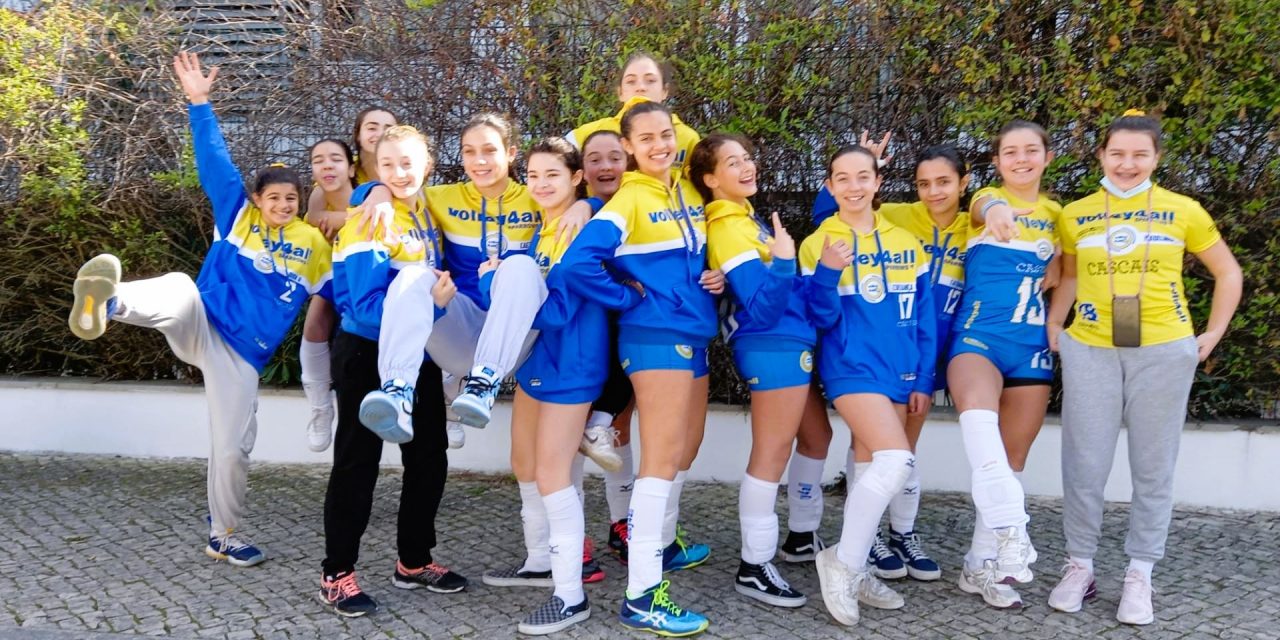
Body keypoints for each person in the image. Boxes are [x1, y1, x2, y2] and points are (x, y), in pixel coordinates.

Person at [68, 51, 333, 568]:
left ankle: (224, 535)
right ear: (257, 199)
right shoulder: (237, 217)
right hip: (204, 323)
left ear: (300, 201)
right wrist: (199, 103)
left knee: (233, 448)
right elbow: (215, 163)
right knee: (178, 287)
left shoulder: (315, 245)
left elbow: (345, 294)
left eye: (291, 198)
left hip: (243, 357)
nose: (283, 205)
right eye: (274, 197)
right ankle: (109, 302)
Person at [1046, 110, 1242, 625]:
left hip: (1163, 351)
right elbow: (1069, 277)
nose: (1127, 164)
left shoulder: (1184, 210)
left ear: (1156, 158)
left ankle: (1140, 573)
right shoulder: (1076, 214)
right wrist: (1055, 324)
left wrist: (1213, 333)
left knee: (1152, 466)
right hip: (1091, 349)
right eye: (1117, 153)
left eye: (1139, 155)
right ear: (1101, 155)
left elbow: (1228, 272)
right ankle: (1080, 565)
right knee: (1084, 463)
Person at [559, 100, 717, 636]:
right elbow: (578, 264)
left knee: (680, 453)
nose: (659, 145)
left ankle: (657, 557)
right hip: (655, 338)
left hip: (692, 334)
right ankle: (644, 595)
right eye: (645, 138)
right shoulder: (627, 200)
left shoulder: (688, 190)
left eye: (665, 134)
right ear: (628, 146)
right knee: (660, 462)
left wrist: (715, 277)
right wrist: (629, 298)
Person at [358, 113, 594, 441]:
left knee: (520, 266)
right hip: (460, 328)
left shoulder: (535, 194)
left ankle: (483, 385)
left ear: (510, 153)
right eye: (469, 151)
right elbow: (401, 186)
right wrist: (375, 191)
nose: (479, 161)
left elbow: (591, 197)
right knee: (414, 275)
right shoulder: (442, 197)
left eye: (489, 150)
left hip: (512, 337)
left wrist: (587, 204)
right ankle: (397, 392)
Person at [320, 124, 468, 617]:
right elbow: (364, 309)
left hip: (416, 355)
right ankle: (337, 574)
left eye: (408, 163)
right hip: (365, 351)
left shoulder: (424, 212)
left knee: (428, 458)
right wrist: (435, 307)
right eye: (387, 165)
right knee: (357, 464)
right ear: (373, 168)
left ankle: (414, 561)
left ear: (428, 165)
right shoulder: (371, 217)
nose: (399, 173)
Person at [486, 138, 620, 634]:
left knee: (553, 473)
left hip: (574, 366)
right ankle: (540, 560)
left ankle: (570, 594)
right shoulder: (543, 232)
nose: (541, 184)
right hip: (539, 363)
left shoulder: (588, 225)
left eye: (553, 175)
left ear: (576, 178)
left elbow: (558, 310)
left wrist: (498, 285)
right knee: (524, 463)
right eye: (534, 176)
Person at [801, 145, 936, 627]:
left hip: (901, 371)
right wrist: (827, 272)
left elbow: (925, 317)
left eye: (863, 176)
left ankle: (854, 567)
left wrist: (924, 376)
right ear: (830, 186)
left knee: (868, 469)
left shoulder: (907, 241)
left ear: (878, 182)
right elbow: (818, 317)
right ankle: (843, 561)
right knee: (896, 460)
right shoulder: (818, 242)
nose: (854, 186)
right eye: (842, 178)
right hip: (850, 367)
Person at [693, 133, 810, 608]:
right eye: (732, 163)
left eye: (747, 158)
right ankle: (754, 565)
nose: (747, 167)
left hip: (788, 342)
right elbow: (761, 307)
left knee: (806, 440)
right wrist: (783, 261)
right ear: (710, 179)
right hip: (771, 345)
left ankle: (799, 539)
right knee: (772, 452)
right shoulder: (728, 226)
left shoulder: (746, 218)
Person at [948, 120, 1061, 609]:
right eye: (1010, 152)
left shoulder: (1059, 215)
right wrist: (996, 211)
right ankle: (1013, 529)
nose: (1021, 159)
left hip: (1031, 346)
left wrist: (1055, 322)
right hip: (979, 340)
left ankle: (980, 565)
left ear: (1047, 157)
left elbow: (1068, 276)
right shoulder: (986, 200)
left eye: (1030, 150)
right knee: (983, 436)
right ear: (996, 162)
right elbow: (983, 207)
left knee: (1011, 462)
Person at [298, 136, 359, 452]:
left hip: (368, 273)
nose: (327, 166)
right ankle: (320, 407)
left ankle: (448, 396)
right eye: (318, 160)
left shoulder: (366, 194)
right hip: (334, 272)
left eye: (335, 159)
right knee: (314, 323)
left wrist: (344, 218)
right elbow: (312, 228)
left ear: (351, 168)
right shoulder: (318, 197)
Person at [566, 52, 700, 184]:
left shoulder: (688, 138)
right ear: (620, 92)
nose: (640, 88)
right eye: (631, 81)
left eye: (650, 81)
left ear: (664, 91)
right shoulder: (588, 134)